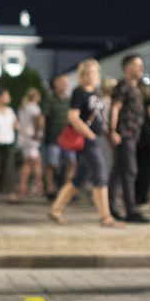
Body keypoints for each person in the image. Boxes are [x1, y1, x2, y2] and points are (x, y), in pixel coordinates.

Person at [49, 59, 122, 227]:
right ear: (82, 75)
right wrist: (89, 134)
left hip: (96, 137)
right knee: (101, 175)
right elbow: (73, 117)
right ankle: (106, 217)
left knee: (79, 178)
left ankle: (55, 210)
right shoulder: (79, 92)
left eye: (94, 72)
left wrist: (109, 133)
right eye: (87, 73)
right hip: (87, 141)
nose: (91, 76)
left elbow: (99, 118)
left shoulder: (94, 93)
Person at [108, 55, 150, 223]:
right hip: (124, 135)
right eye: (136, 65)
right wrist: (113, 131)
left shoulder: (136, 87)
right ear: (127, 68)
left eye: (141, 64)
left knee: (118, 171)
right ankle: (130, 210)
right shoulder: (123, 85)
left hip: (131, 135)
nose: (141, 68)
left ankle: (111, 207)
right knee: (129, 171)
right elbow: (115, 108)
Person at [41, 74, 76, 199]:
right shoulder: (49, 99)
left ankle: (67, 190)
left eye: (65, 82)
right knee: (52, 164)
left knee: (71, 163)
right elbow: (42, 117)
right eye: (61, 82)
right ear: (54, 84)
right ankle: (50, 189)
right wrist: (40, 130)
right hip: (53, 139)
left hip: (68, 139)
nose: (64, 84)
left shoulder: (69, 100)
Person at [16, 88, 44, 197]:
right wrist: (37, 132)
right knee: (36, 162)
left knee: (27, 162)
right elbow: (39, 120)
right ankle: (39, 185)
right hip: (32, 137)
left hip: (24, 137)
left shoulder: (23, 107)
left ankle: (24, 187)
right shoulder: (34, 107)